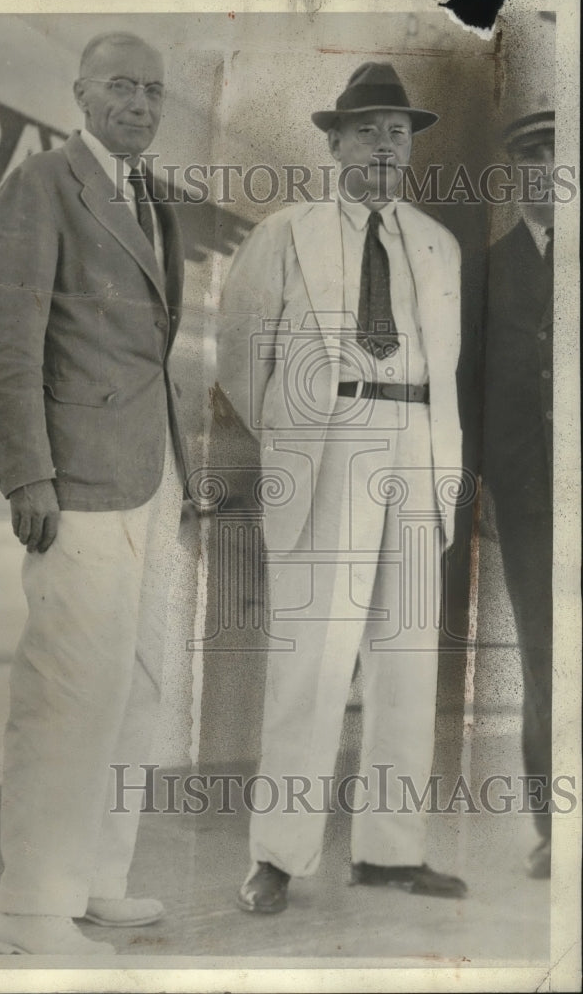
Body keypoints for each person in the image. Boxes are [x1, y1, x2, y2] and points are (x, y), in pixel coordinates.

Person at [216, 62, 468, 913]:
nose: (386, 144)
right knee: (313, 663)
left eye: (399, 131)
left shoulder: (439, 244)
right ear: (333, 142)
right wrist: (297, 435)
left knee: (406, 661)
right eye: (368, 129)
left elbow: (449, 369)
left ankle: (390, 854)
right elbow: (241, 352)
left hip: (420, 449)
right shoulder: (287, 231)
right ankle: (279, 857)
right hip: (331, 441)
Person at [0, 31, 185, 954]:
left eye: (152, 90)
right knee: (68, 690)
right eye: (119, 87)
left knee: (137, 686)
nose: (137, 104)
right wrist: (28, 474)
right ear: (80, 93)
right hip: (78, 480)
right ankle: (29, 913)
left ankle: (99, 881)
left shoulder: (153, 196)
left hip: (152, 474)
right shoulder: (40, 185)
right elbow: (7, 344)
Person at [481, 109, 554, 879]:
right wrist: (490, 490)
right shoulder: (490, 268)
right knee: (545, 661)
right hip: (530, 504)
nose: (548, 170)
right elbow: (480, 393)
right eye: (531, 158)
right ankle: (555, 826)